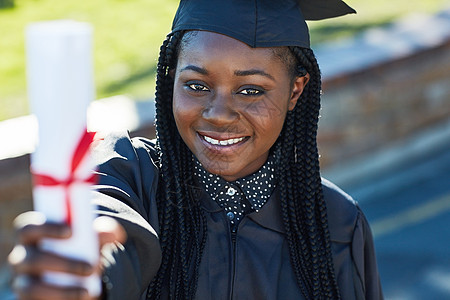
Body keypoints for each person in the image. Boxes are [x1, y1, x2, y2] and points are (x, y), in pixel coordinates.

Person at [8, 0, 384, 299]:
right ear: (171, 78)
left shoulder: (334, 222)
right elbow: (102, 218)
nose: (219, 115)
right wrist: (84, 272)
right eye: (197, 85)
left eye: (251, 90)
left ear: (296, 91)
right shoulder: (129, 176)